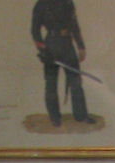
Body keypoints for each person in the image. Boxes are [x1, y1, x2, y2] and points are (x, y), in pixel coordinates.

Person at [30, 0, 94, 128]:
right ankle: (54, 117)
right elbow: (35, 30)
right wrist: (43, 50)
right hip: (50, 45)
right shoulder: (41, 4)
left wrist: (81, 46)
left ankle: (81, 115)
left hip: (67, 44)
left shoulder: (67, 2)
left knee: (76, 82)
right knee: (51, 84)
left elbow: (74, 25)